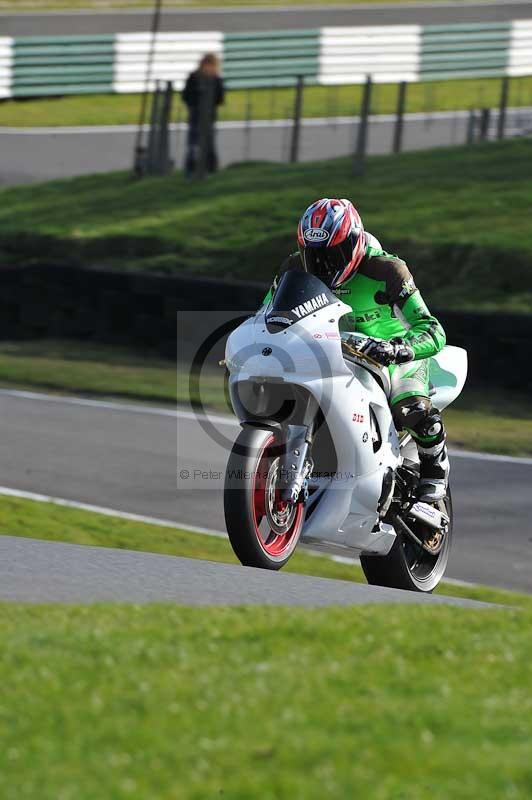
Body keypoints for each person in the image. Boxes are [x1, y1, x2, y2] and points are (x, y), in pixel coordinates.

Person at [262, 198, 449, 503]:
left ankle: (435, 466)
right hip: (326, 351)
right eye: (315, 255)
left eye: (334, 254)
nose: (324, 265)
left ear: (355, 241)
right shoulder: (293, 268)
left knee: (410, 406)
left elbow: (431, 328)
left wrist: (399, 349)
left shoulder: (387, 269)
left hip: (387, 356)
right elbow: (266, 317)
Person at [181, 53, 224, 178]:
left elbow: (220, 99)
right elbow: (186, 97)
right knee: (193, 144)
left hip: (209, 117)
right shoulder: (193, 78)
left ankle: (211, 169)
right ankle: (191, 169)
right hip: (195, 116)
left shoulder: (216, 80)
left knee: (209, 144)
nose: (208, 68)